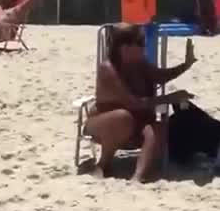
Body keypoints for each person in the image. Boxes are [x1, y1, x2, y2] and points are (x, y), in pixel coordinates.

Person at [83, 24, 196, 182]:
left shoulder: (140, 64)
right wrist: (170, 98)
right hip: (104, 124)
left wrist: (186, 65)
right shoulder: (108, 69)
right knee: (123, 117)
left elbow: (160, 76)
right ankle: (103, 165)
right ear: (125, 48)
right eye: (140, 43)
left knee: (158, 126)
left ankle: (139, 176)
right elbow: (133, 103)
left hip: (136, 123)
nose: (144, 47)